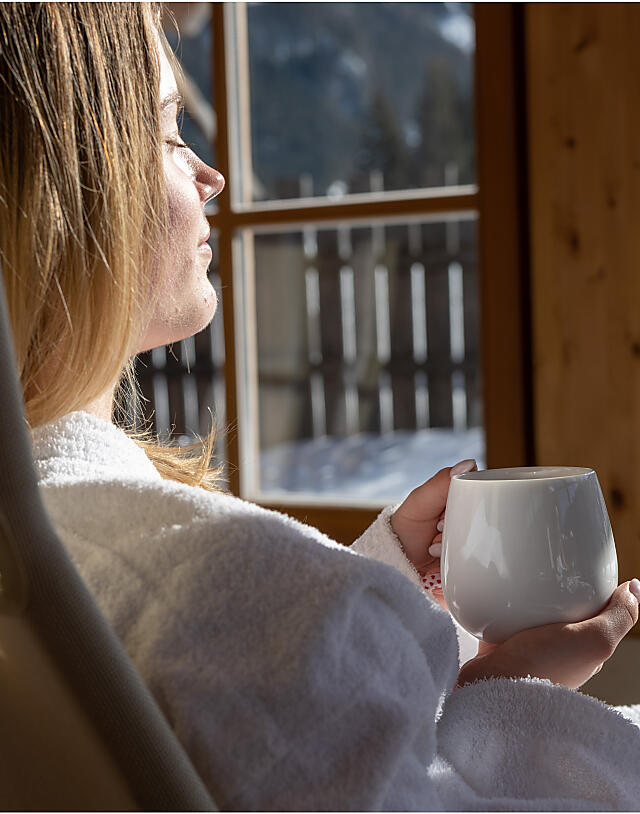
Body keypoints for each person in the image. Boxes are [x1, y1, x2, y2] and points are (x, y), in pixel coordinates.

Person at [2, 3, 640, 810]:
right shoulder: (221, 591)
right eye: (169, 133)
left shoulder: (64, 544)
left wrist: (379, 590)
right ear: (69, 195)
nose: (212, 175)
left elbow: (266, 737)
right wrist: (506, 698)